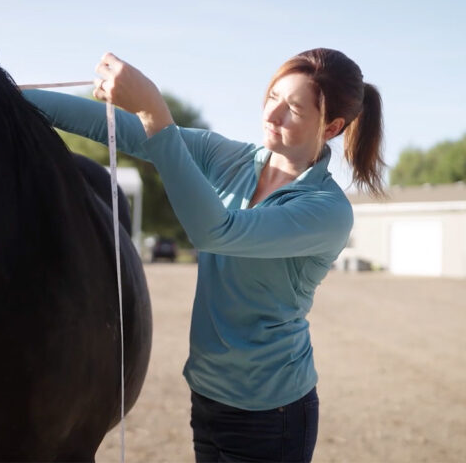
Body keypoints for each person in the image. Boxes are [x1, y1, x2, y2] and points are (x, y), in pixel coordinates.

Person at [23, 47, 384, 462]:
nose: (272, 115)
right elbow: (124, 130)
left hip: (272, 414)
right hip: (208, 396)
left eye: (295, 110)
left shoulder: (326, 210)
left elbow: (216, 232)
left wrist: (156, 112)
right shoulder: (232, 158)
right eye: (272, 98)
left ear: (333, 127)